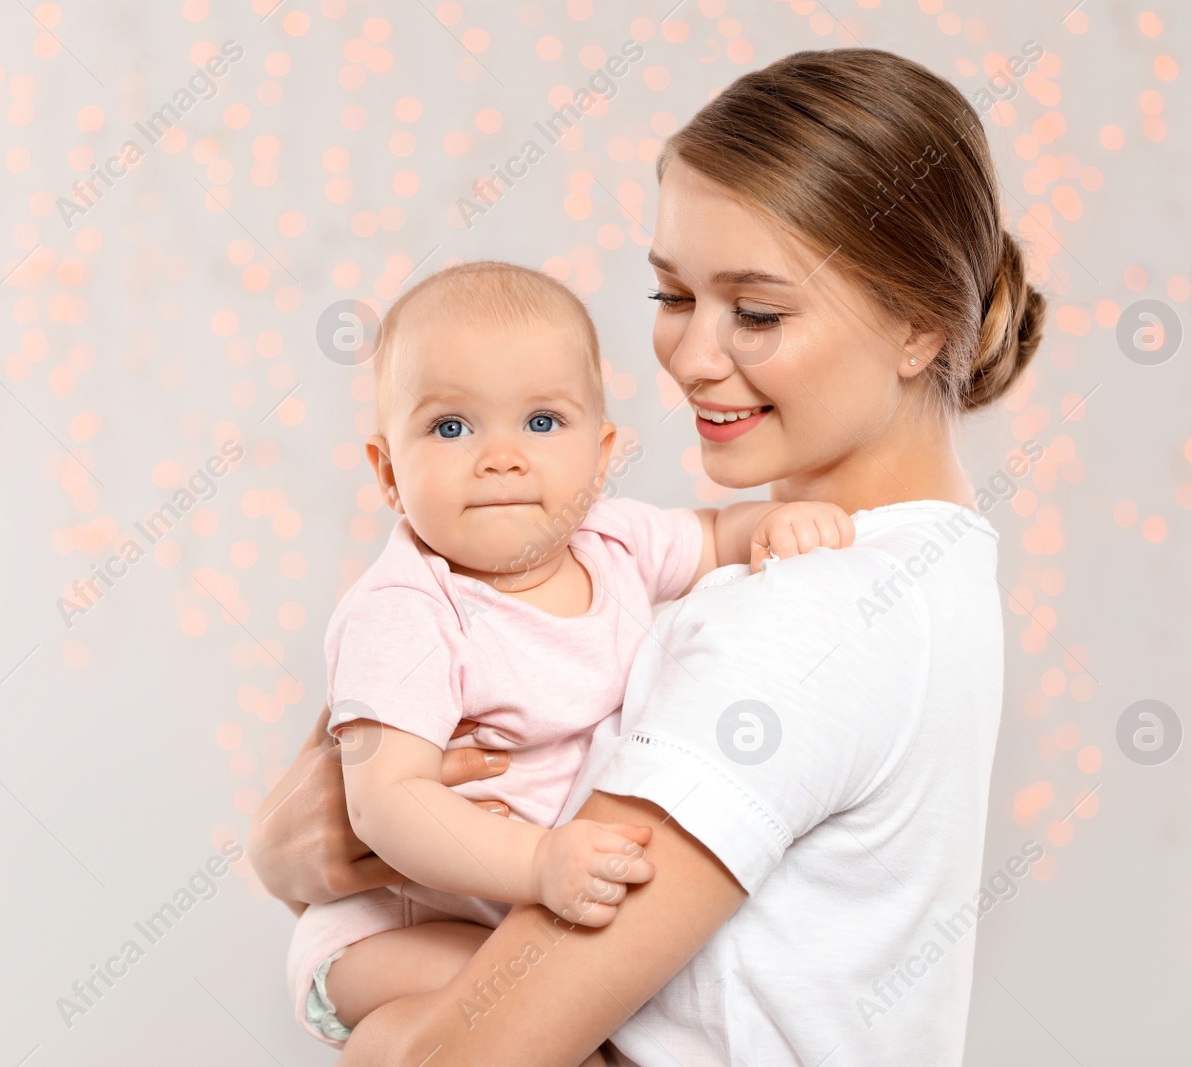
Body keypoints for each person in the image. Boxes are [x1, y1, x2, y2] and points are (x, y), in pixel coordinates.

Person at [250, 45, 1045, 1065]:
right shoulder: (917, 574)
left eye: (756, 312)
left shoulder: (812, 615)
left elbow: (462, 1055)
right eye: (674, 296)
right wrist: (313, 845)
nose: (692, 355)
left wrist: (305, 878)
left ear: (915, 327)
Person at [285, 258, 853, 1057]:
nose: (502, 457)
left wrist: (775, 526)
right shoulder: (407, 608)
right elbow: (387, 801)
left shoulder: (614, 540)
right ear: (386, 472)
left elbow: (713, 537)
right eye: (451, 427)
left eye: (543, 422)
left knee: (573, 1014)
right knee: (506, 1010)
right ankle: (388, 1042)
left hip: (522, 908)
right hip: (402, 932)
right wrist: (539, 859)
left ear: (602, 451)